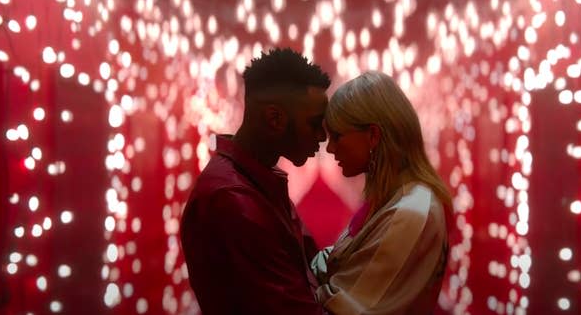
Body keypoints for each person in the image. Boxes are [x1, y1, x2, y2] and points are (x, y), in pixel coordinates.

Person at [180, 48, 331, 314]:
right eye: (315, 124)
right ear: (274, 119)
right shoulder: (233, 200)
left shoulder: (257, 183)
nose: (322, 137)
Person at [312, 71, 452, 314]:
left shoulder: (412, 211)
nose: (331, 149)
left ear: (373, 135)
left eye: (337, 136)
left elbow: (346, 306)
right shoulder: (391, 199)